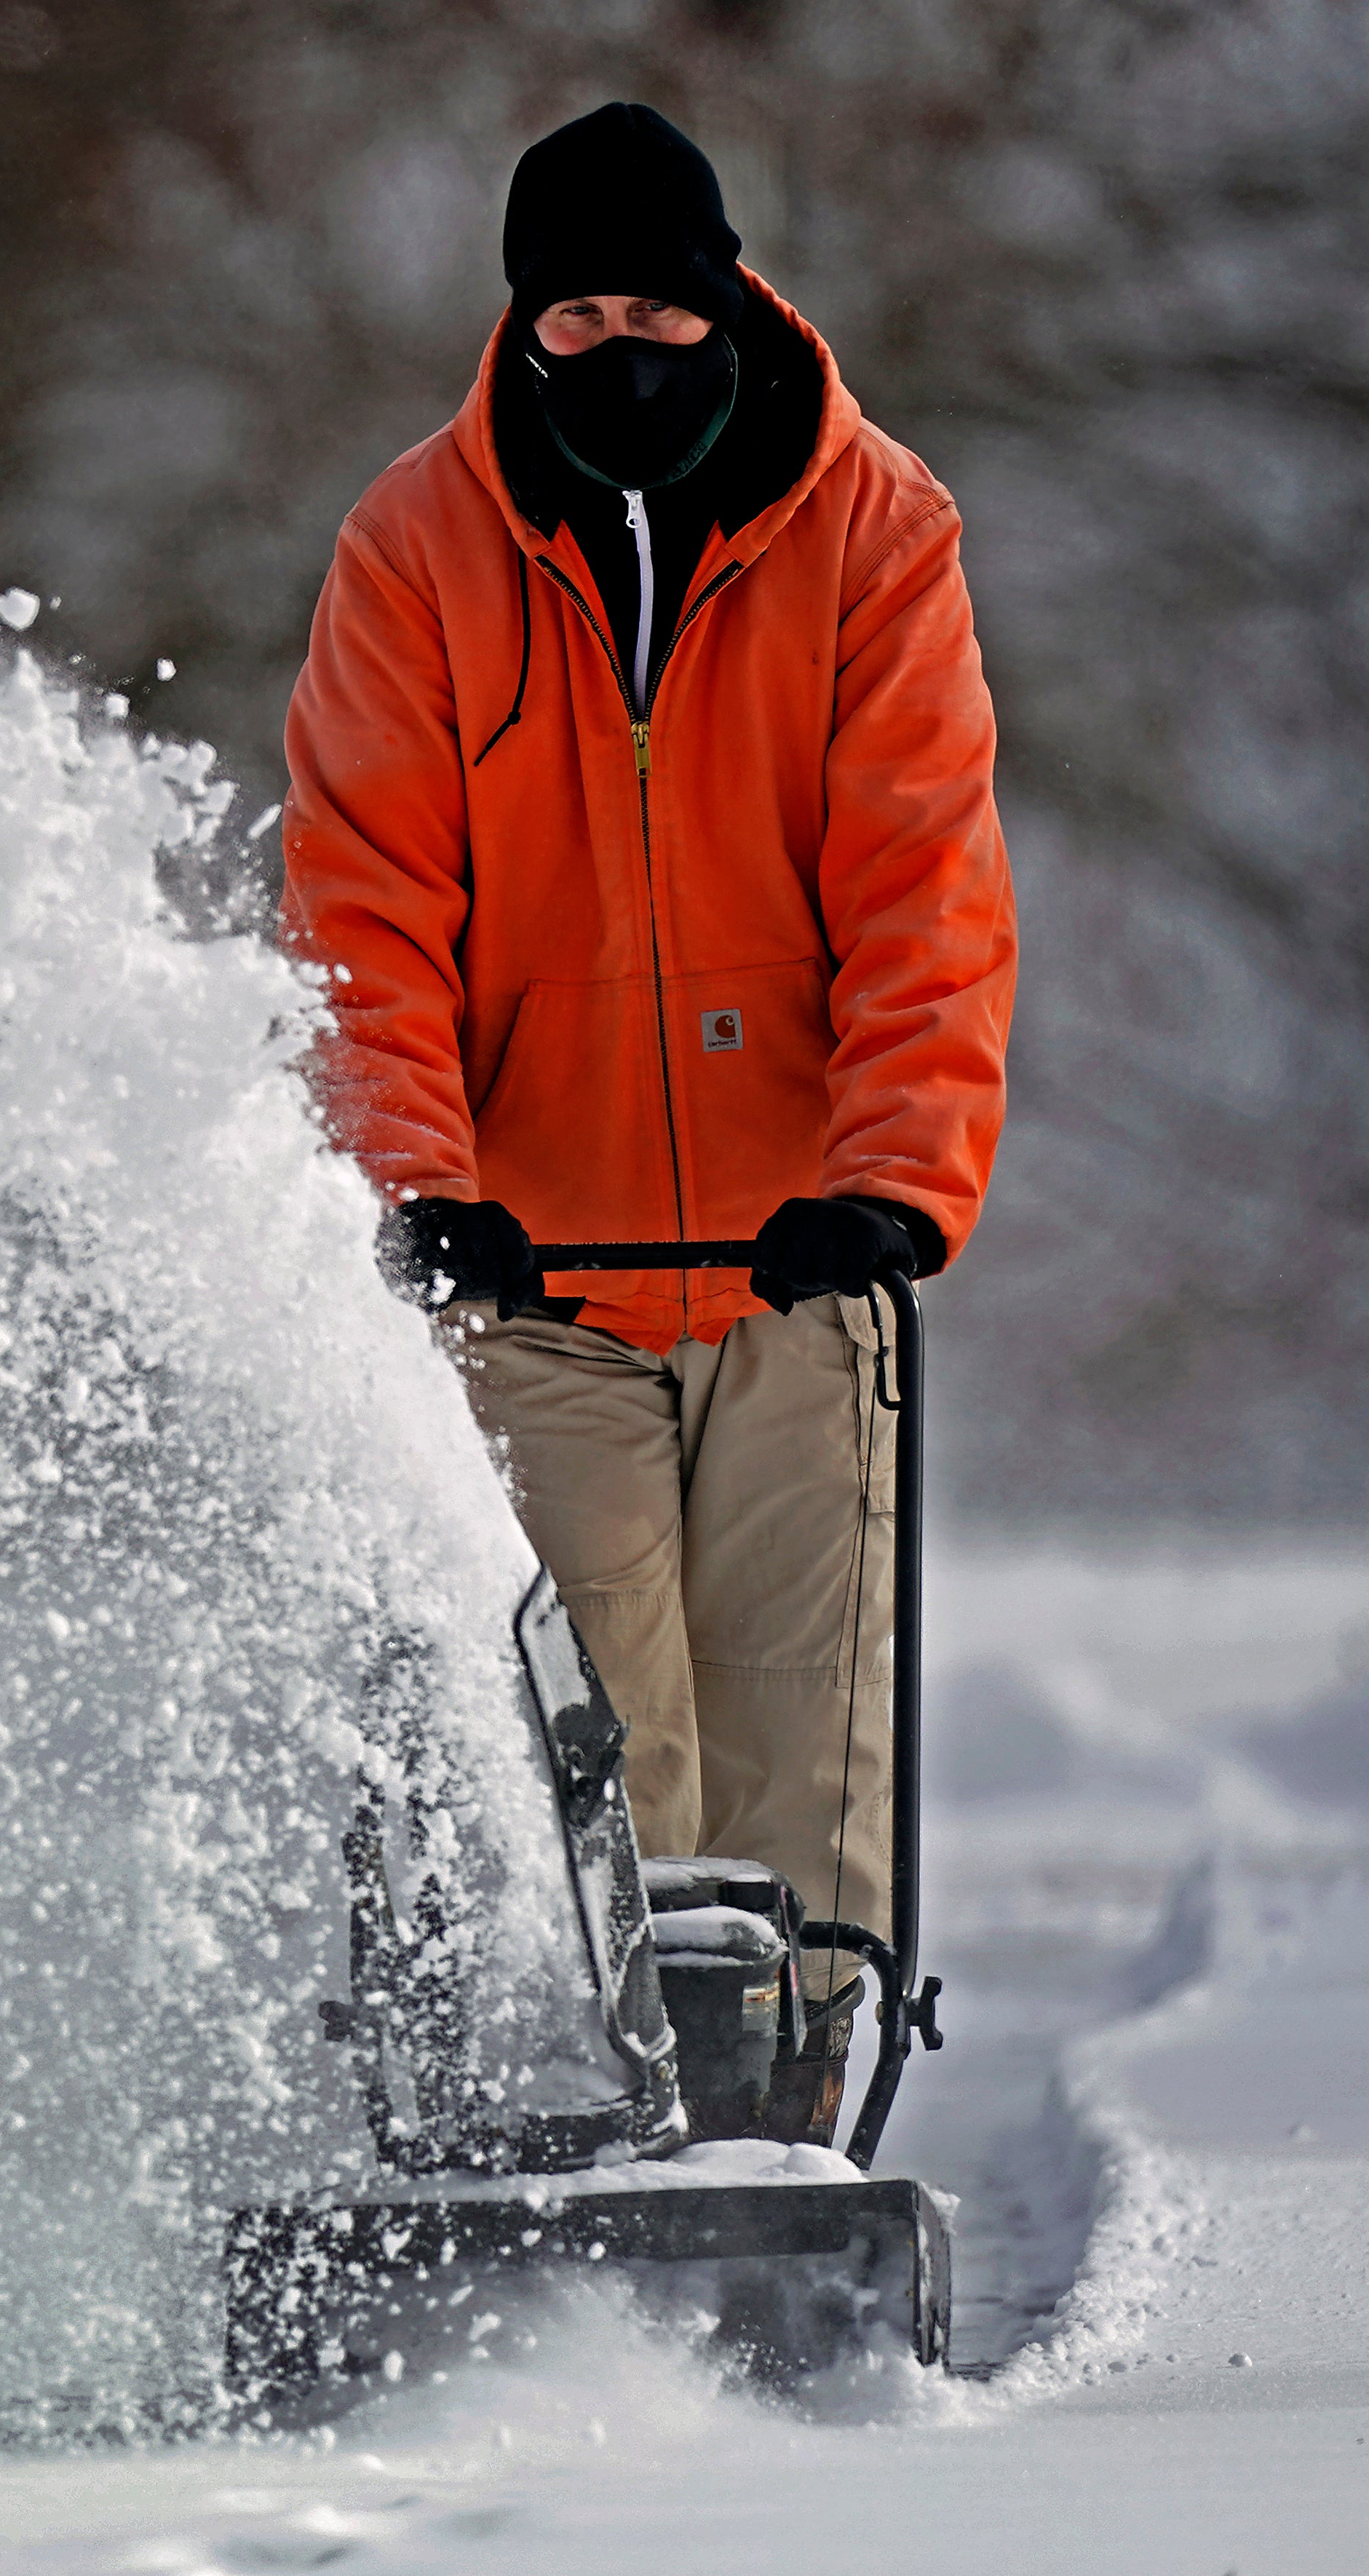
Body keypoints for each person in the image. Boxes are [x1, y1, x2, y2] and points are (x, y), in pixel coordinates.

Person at [279, 101, 1017, 2103]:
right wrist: (417, 1185)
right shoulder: (416, 553)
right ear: (524, 325)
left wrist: (894, 1177)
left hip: (797, 1256)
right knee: (597, 1734)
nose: (623, 353)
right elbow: (365, 922)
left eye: (658, 312)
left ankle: (785, 2112)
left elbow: (924, 896)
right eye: (577, 313)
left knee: (793, 1735)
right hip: (538, 1273)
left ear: (728, 302)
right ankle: (607, 2110)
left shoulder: (877, 534)